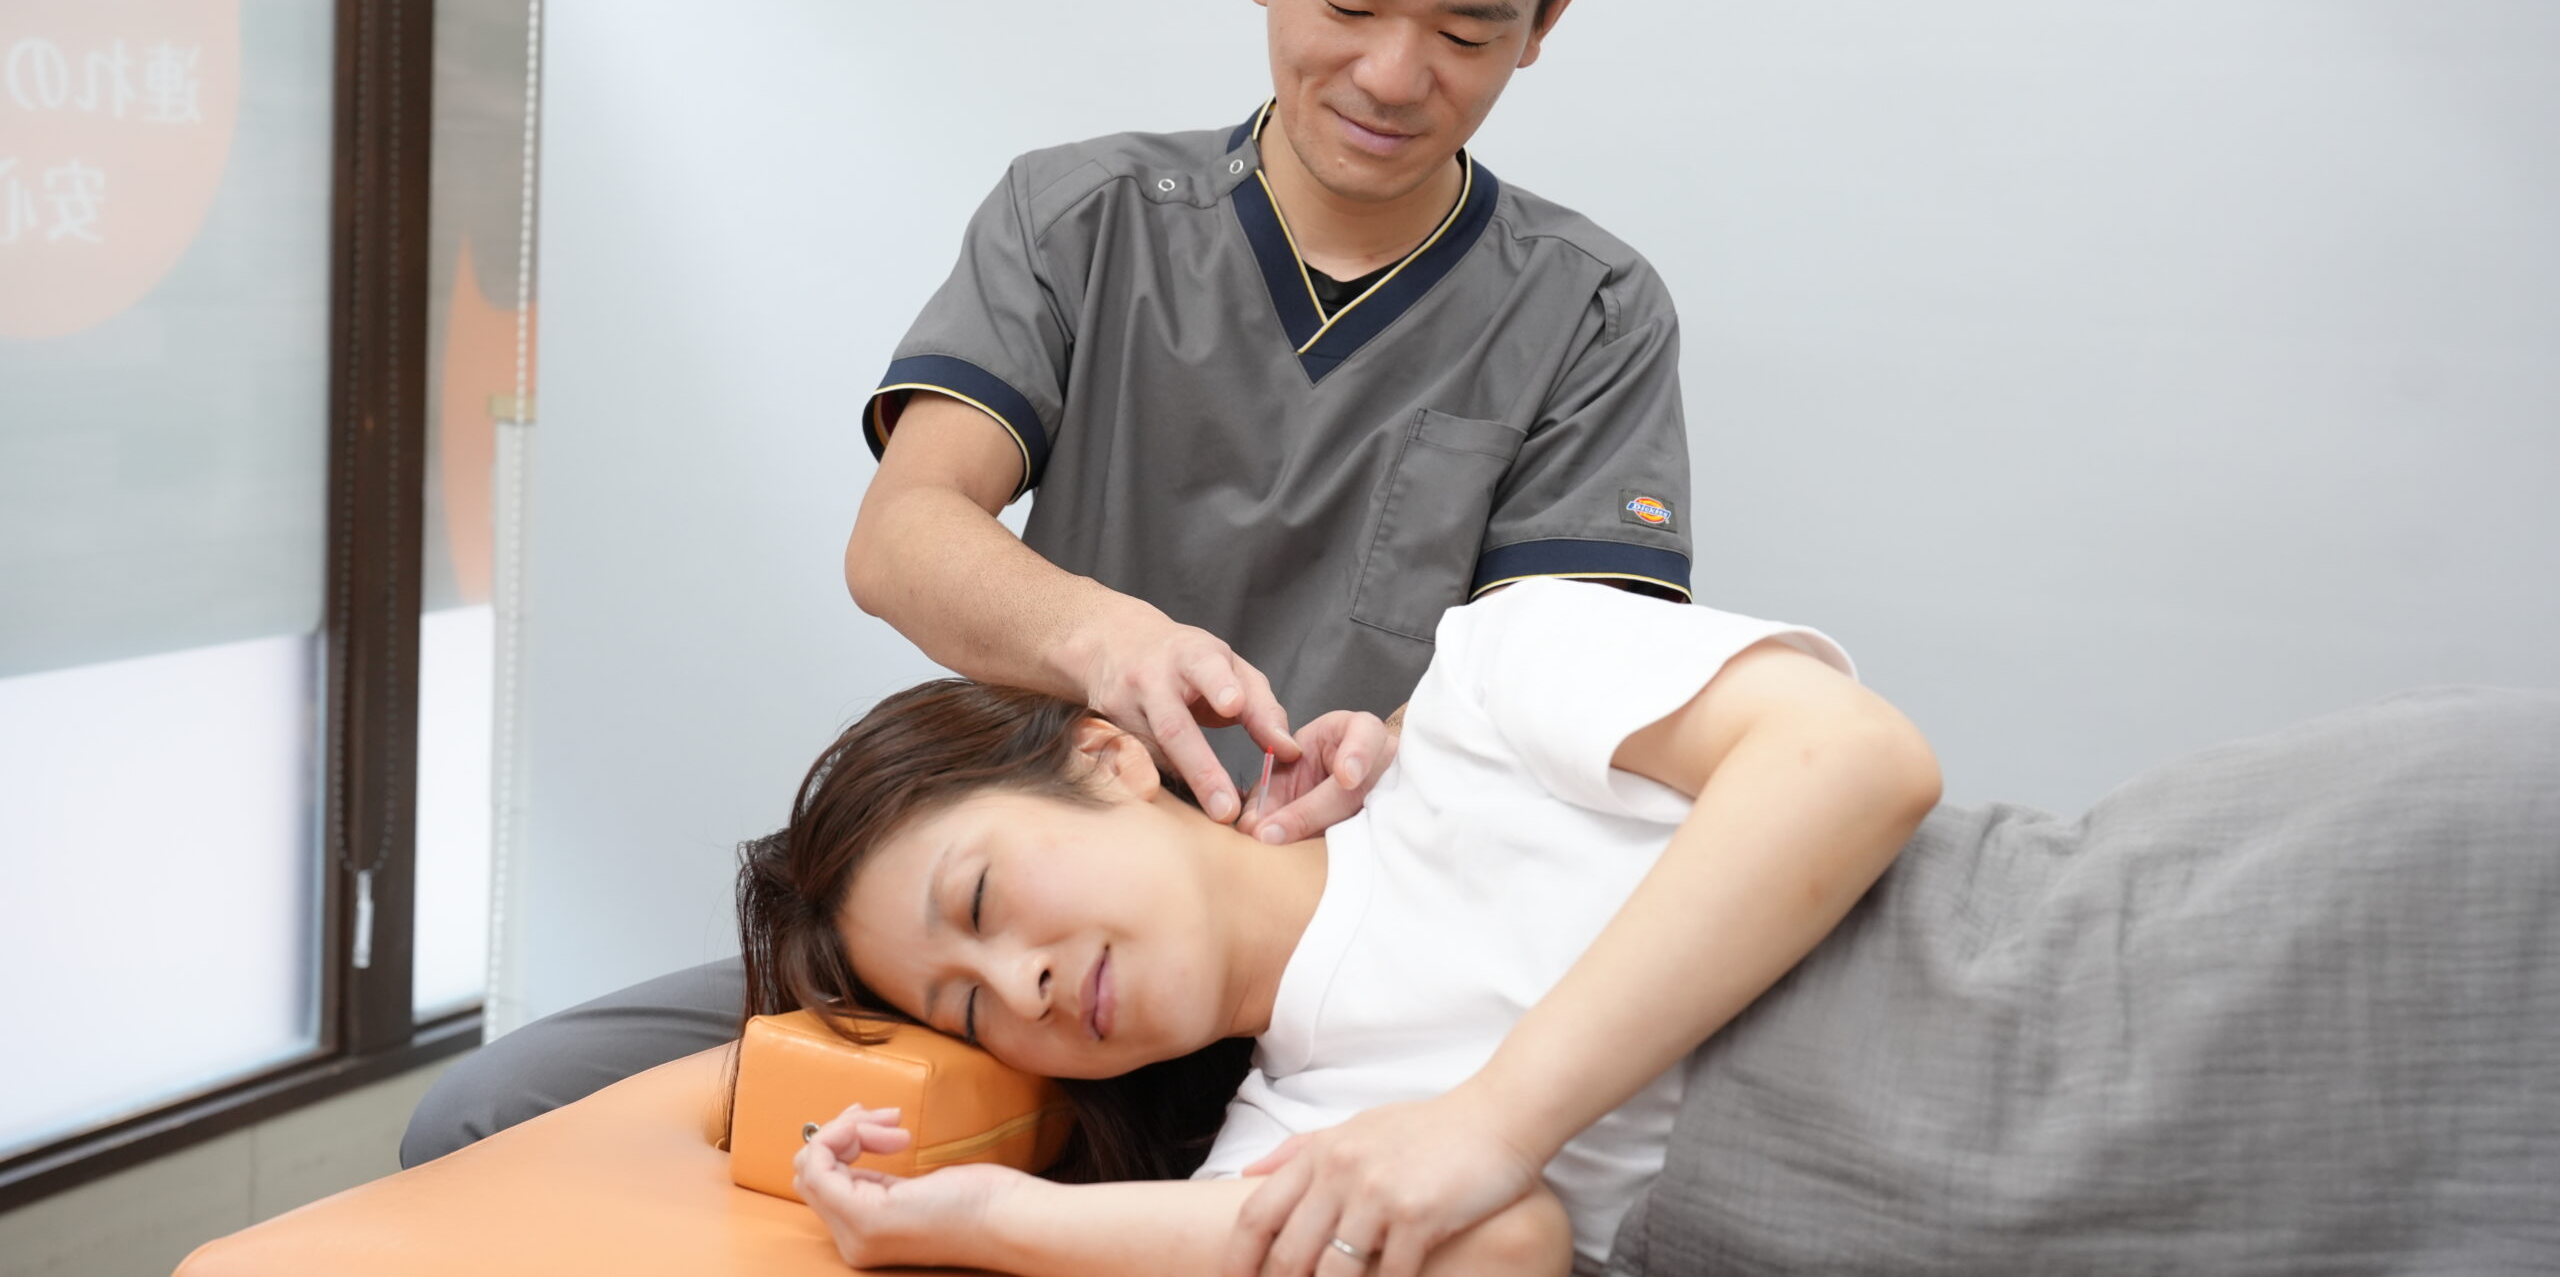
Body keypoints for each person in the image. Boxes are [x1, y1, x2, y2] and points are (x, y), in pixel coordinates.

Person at [408, 0, 1696, 1166]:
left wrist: (1382, 760)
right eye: (1348, 7)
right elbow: (904, 537)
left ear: (1547, 21)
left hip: (1347, 970)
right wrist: (1108, 643)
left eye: (1467, 30)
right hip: (1047, 941)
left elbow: (1578, 687)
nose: (1396, 76)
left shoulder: (1590, 311)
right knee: (493, 1114)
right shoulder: (1080, 220)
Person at [740, 581, 2560, 1277]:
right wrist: (988, 1223)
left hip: (2270, 949)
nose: (1023, 986)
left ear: (1106, 758)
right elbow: (1503, 1253)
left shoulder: (1480, 690)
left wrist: (1495, 1113)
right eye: (967, 1010)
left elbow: (1853, 761)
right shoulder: (1286, 1160)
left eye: (986, 904)